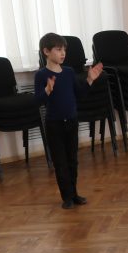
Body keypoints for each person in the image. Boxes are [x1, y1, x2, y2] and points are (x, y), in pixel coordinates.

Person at [35, 33, 103, 209]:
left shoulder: (69, 72)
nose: (63, 53)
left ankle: (74, 194)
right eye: (58, 49)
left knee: (72, 160)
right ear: (46, 52)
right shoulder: (41, 75)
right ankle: (66, 197)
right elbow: (38, 101)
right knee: (60, 162)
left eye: (64, 49)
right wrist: (48, 90)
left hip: (72, 121)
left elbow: (79, 94)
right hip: (54, 124)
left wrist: (89, 80)